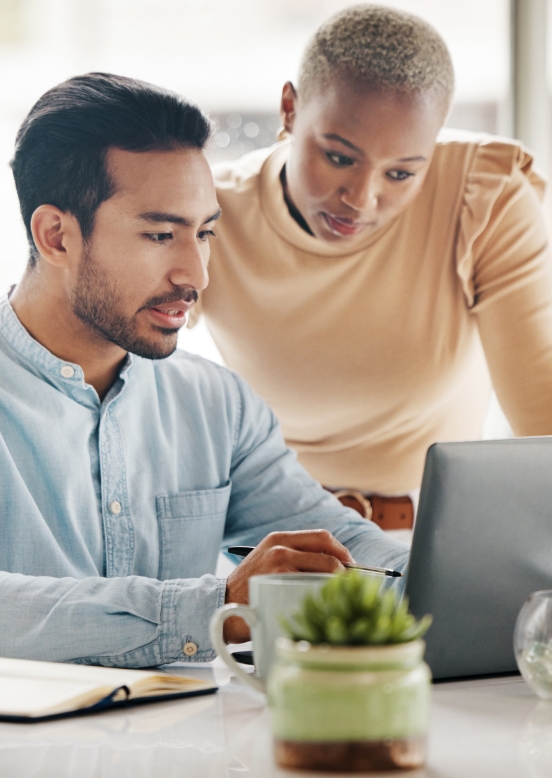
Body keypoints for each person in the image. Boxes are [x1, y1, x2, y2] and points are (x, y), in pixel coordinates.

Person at [0, 73, 408, 668]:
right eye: (160, 234)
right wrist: (218, 605)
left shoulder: (216, 404)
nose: (196, 275)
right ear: (56, 236)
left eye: (204, 233)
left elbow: (341, 546)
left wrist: (456, 584)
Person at [192, 4, 552, 529]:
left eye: (402, 174)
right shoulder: (211, 212)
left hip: (434, 537)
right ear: (289, 110)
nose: (361, 200)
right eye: (339, 158)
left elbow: (542, 429)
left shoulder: (484, 196)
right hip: (268, 537)